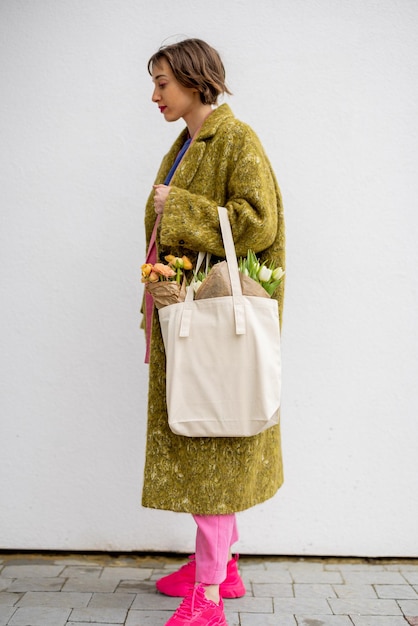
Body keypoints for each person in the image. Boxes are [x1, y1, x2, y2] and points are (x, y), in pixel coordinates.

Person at [142, 38, 285, 626]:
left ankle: (207, 598)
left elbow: (257, 223)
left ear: (197, 82)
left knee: (213, 454)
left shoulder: (236, 139)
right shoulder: (189, 142)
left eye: (163, 84)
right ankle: (222, 568)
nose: (154, 96)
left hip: (214, 330)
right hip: (189, 321)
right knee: (203, 443)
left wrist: (178, 208)